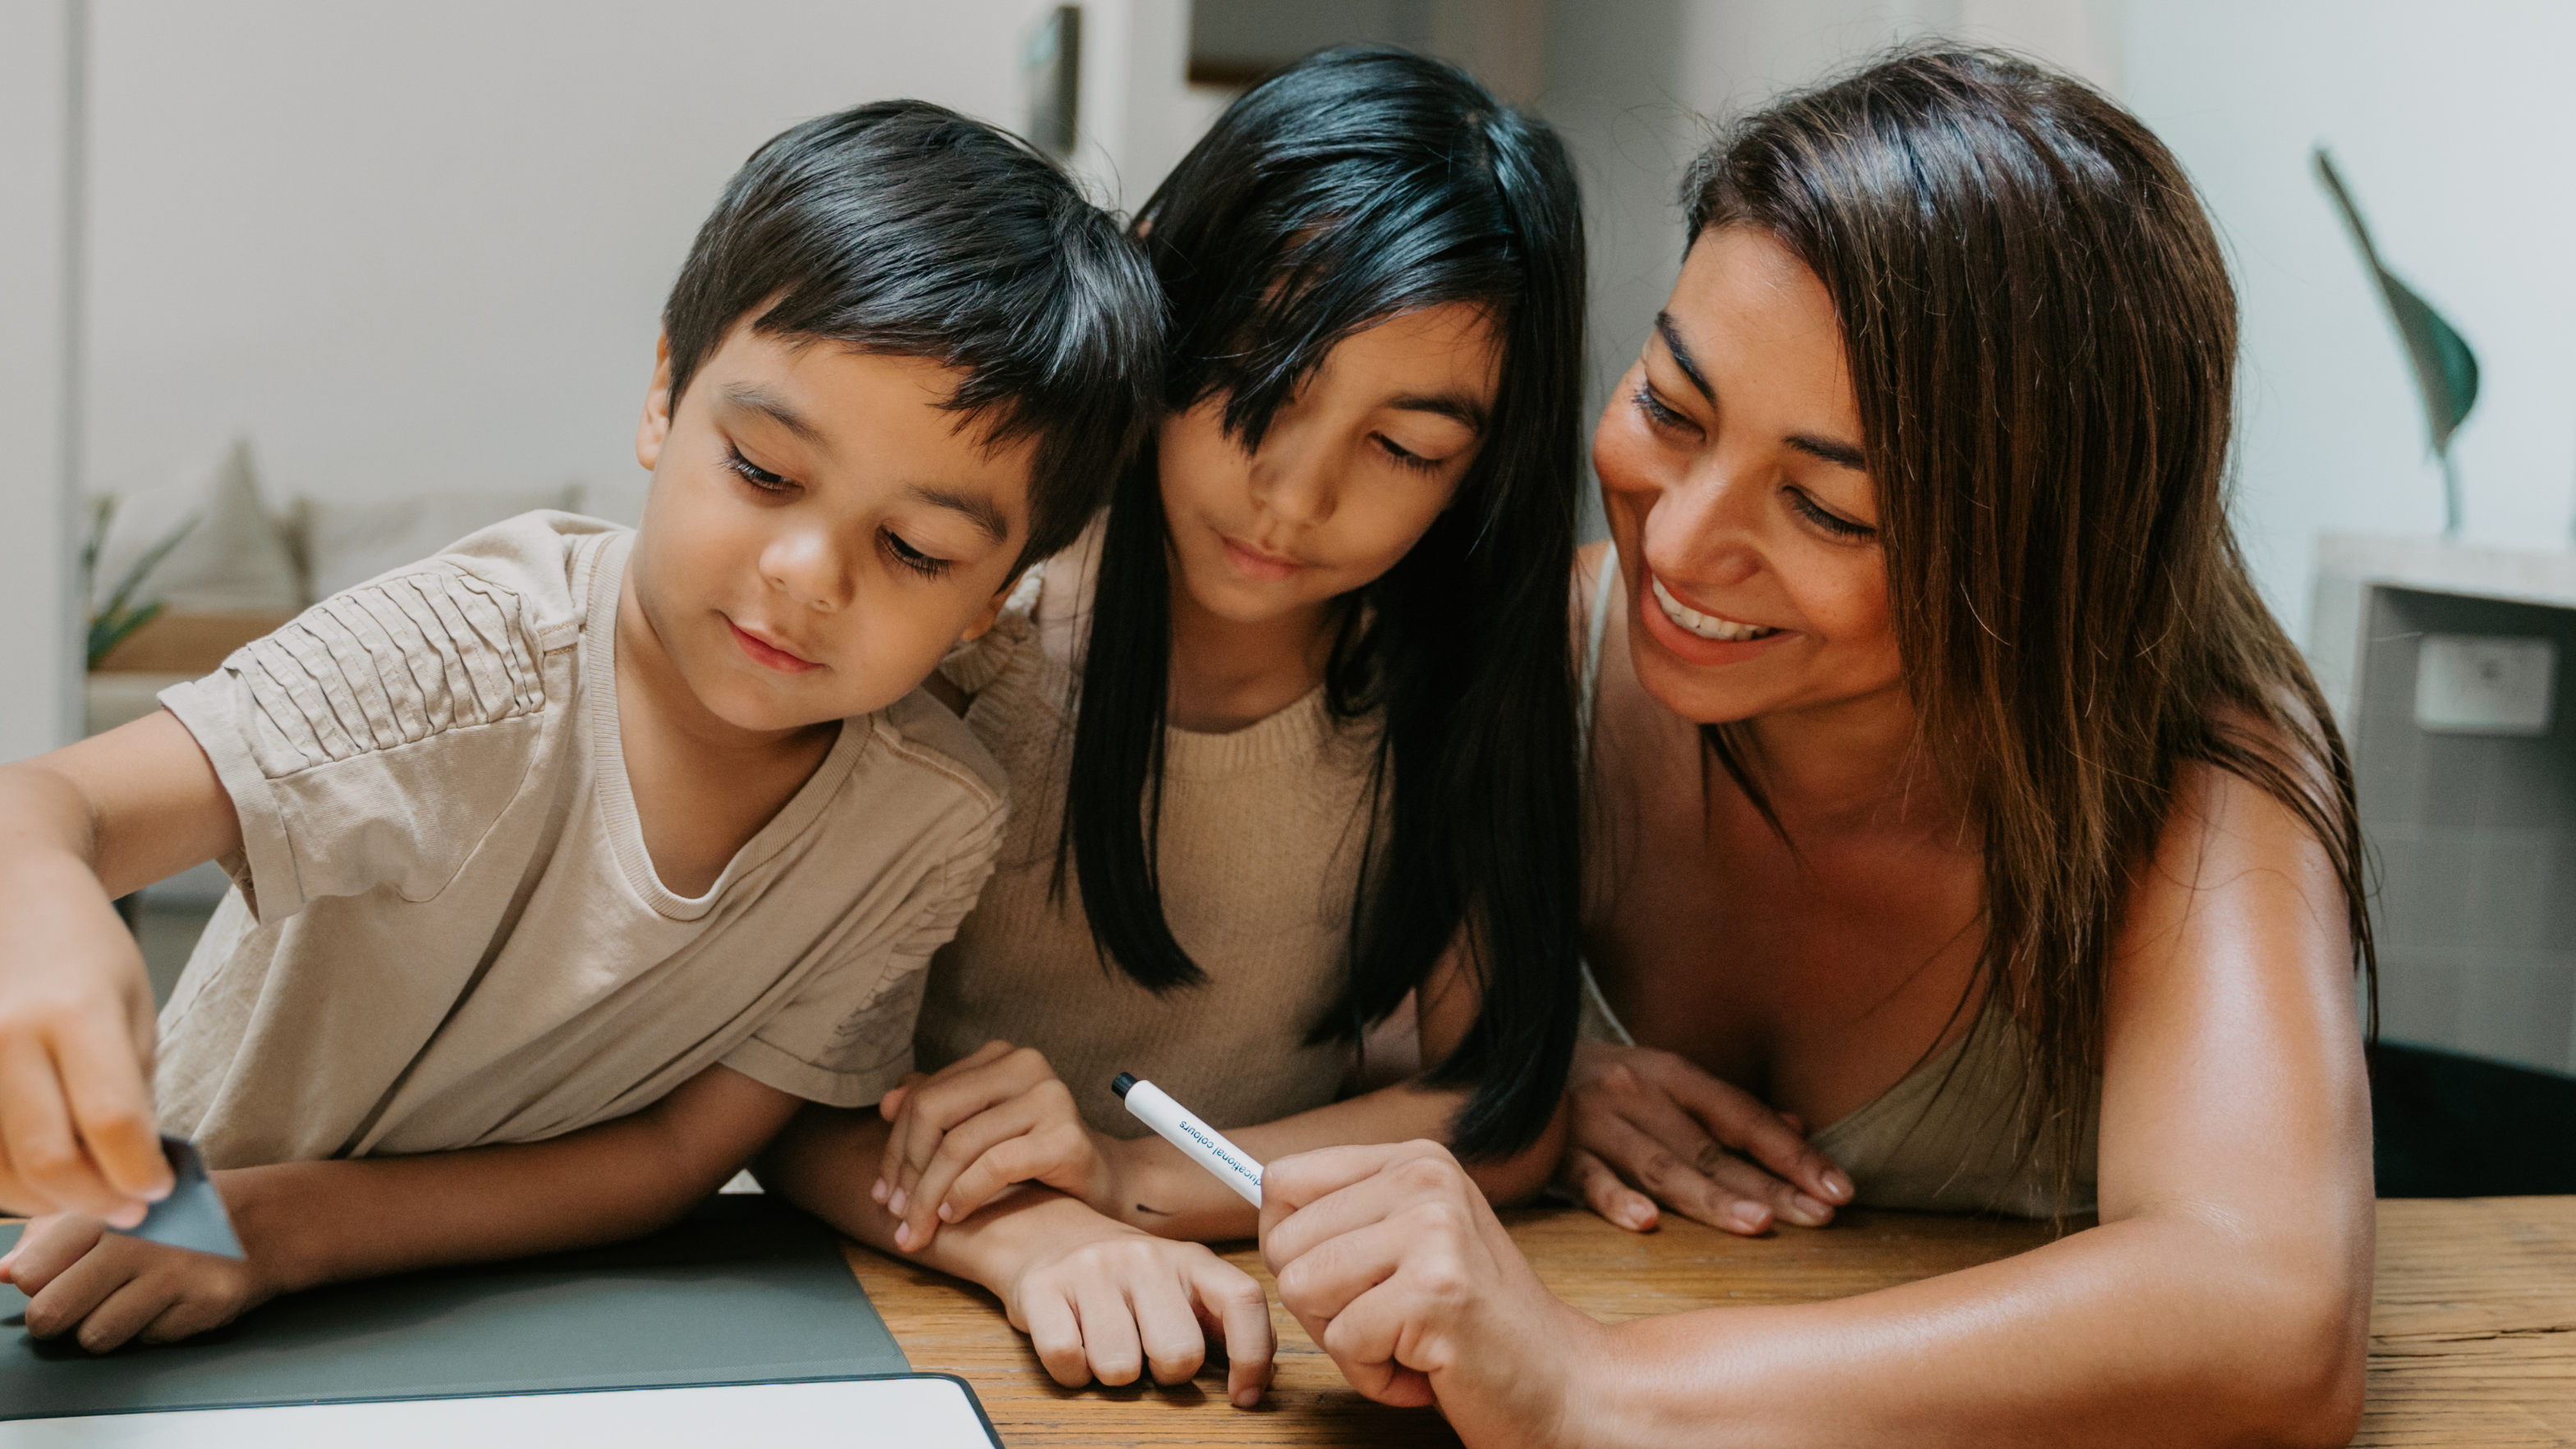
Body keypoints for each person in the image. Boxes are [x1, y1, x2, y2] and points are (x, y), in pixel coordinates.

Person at [1257, 49, 2377, 1447]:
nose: (1676, 541)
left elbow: (2268, 1314)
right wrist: (1521, 1065)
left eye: (1830, 511)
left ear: (2045, 560)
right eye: (1671, 408)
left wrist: (1607, 1389)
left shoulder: (2197, 769)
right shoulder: (1525, 662)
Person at [0, 100, 1159, 1353]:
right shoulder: (463, 652)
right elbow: (45, 809)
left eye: (916, 549)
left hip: (479, 1310)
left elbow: (672, 1155)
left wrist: (281, 1231)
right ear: (666, 391)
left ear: (995, 596)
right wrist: (44, 908)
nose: (808, 573)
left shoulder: (929, 818)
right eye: (765, 471)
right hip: (129, 1260)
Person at [755, 47, 1588, 1408]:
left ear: (1484, 466)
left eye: (1405, 448)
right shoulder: (970, 611)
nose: (1292, 494)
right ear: (1154, 293)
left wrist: (1134, 1176)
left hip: (1230, 1328)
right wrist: (1035, 1233)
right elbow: (769, 1091)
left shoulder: (1441, 683)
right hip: (893, 1297)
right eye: (1261, 372)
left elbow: (1498, 1109)